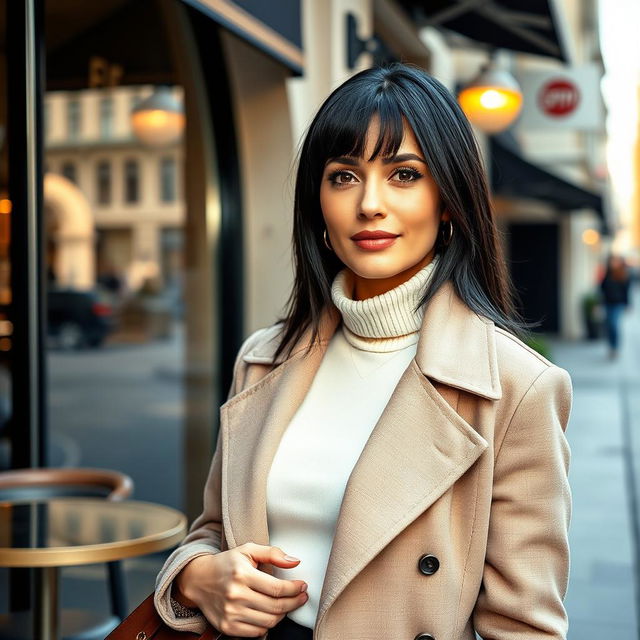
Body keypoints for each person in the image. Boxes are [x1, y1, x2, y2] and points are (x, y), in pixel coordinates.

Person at [154, 63, 573, 640]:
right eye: (343, 176)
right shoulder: (265, 357)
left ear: (448, 200)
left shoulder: (517, 387)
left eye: (404, 174)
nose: (369, 204)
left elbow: (524, 626)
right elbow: (214, 530)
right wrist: (197, 578)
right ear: (318, 204)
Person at [600, 254, 631, 359]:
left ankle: (615, 348)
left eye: (616, 261)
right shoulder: (607, 275)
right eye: (612, 261)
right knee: (608, 326)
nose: (614, 263)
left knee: (614, 325)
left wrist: (627, 304)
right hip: (608, 303)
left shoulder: (623, 275)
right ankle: (611, 347)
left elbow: (626, 291)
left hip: (618, 304)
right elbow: (602, 288)